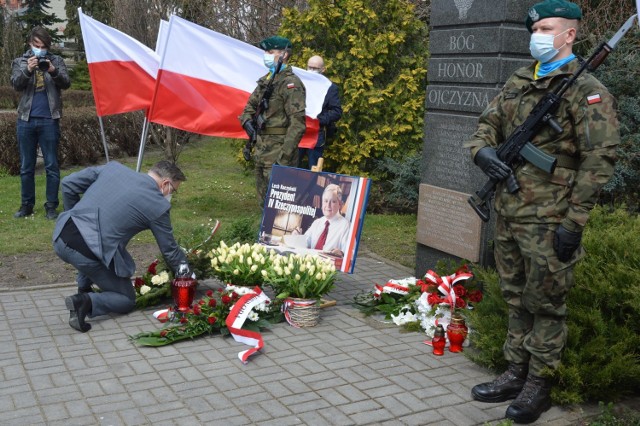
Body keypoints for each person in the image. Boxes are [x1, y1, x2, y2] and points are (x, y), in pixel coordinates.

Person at [465, 1, 620, 423]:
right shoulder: (519, 79)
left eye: (547, 27)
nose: (538, 35)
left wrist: (575, 222)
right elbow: (486, 125)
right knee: (516, 297)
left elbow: (599, 160)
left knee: (547, 303)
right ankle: (515, 371)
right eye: (535, 28)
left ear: (570, 34)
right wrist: (484, 154)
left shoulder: (586, 89)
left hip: (551, 218)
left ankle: (539, 382)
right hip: (510, 210)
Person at [53, 161, 190, 333]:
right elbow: (169, 249)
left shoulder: (113, 168)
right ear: (165, 184)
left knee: (98, 246)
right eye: (173, 190)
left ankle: (84, 288)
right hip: (86, 253)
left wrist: (77, 217)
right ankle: (84, 301)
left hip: (61, 235)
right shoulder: (157, 205)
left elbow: (68, 184)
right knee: (126, 299)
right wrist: (187, 273)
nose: (171, 195)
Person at [11, 26, 70, 220]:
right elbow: (16, 84)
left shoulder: (57, 61)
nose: (40, 49)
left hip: (49, 120)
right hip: (26, 119)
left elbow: (66, 83)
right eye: (37, 45)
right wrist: (28, 69)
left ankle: (51, 206)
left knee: (52, 165)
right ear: (30, 44)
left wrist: (53, 71)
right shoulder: (20, 61)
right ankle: (26, 205)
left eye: (43, 46)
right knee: (27, 166)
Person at [239, 36, 306, 206]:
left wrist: (284, 158)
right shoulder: (266, 81)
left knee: (280, 205)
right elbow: (249, 108)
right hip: (262, 151)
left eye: (270, 52)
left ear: (283, 55)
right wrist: (248, 123)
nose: (266, 55)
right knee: (264, 202)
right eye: (265, 52)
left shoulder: (290, 83)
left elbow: (297, 124)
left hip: (279, 152)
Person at [299, 55, 342, 169]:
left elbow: (336, 112)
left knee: (314, 167)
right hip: (297, 131)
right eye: (310, 67)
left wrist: (318, 120)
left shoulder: (329, 87)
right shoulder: (299, 82)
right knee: (290, 166)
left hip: (316, 133)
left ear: (323, 69)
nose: (312, 71)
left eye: (315, 68)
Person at [293, 184, 350, 256]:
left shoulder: (345, 226)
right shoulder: (317, 222)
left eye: (333, 201)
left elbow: (350, 254)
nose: (328, 205)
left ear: (340, 204)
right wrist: (297, 237)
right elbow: (305, 243)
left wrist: (341, 253)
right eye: (325, 201)